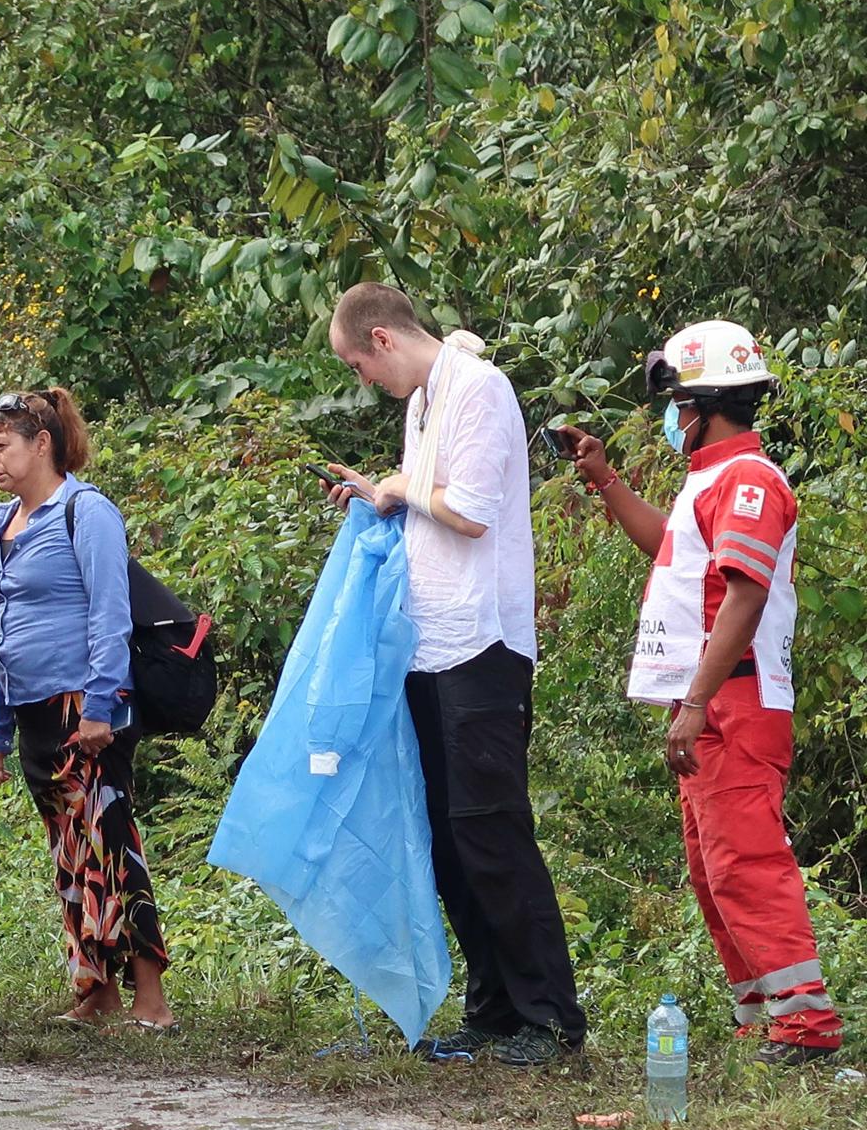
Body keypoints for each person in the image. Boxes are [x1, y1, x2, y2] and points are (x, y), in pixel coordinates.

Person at [563, 320, 843, 1066]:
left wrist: (694, 703)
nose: (671, 417)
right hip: (714, 702)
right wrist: (607, 480)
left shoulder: (748, 481)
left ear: (703, 403)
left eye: (676, 402)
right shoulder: (709, 482)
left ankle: (806, 1028)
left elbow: (744, 599)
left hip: (735, 701)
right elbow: (673, 549)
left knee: (747, 862)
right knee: (716, 867)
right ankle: (767, 1020)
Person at [321, 282, 587, 1066]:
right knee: (446, 838)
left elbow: (469, 508)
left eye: (356, 365)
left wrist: (405, 487)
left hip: (483, 643)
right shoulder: (423, 402)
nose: (363, 382)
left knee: (492, 831)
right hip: (428, 642)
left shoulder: (479, 388)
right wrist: (385, 499)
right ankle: (495, 1008)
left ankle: (552, 1015)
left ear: (381, 340)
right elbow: (433, 508)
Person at [0, 387, 175, 1032]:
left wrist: (101, 706)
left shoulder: (85, 512)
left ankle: (151, 998)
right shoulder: (2, 525)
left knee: (112, 846)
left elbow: (110, 613)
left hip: (84, 709)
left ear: (42, 444)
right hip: (32, 708)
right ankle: (96, 992)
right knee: (72, 853)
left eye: (1, 444)